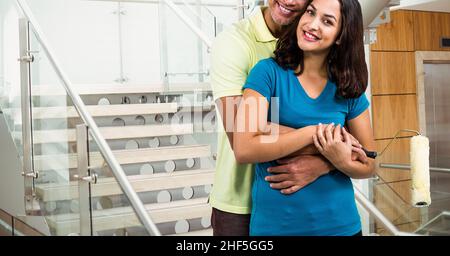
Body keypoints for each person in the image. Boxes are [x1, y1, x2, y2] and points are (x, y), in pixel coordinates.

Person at [233, 0, 375, 235]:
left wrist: (334, 162)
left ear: (341, 35)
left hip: (341, 227)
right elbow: (244, 147)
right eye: (310, 12)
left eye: (327, 21)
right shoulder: (267, 73)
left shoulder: (348, 87)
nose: (312, 24)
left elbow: (369, 163)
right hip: (276, 229)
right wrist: (314, 134)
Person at [208, 0, 335, 236]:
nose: (289, 0)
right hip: (241, 204)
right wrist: (329, 146)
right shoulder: (234, 42)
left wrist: (326, 164)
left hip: (304, 201)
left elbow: (352, 139)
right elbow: (242, 134)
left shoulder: (316, 42)